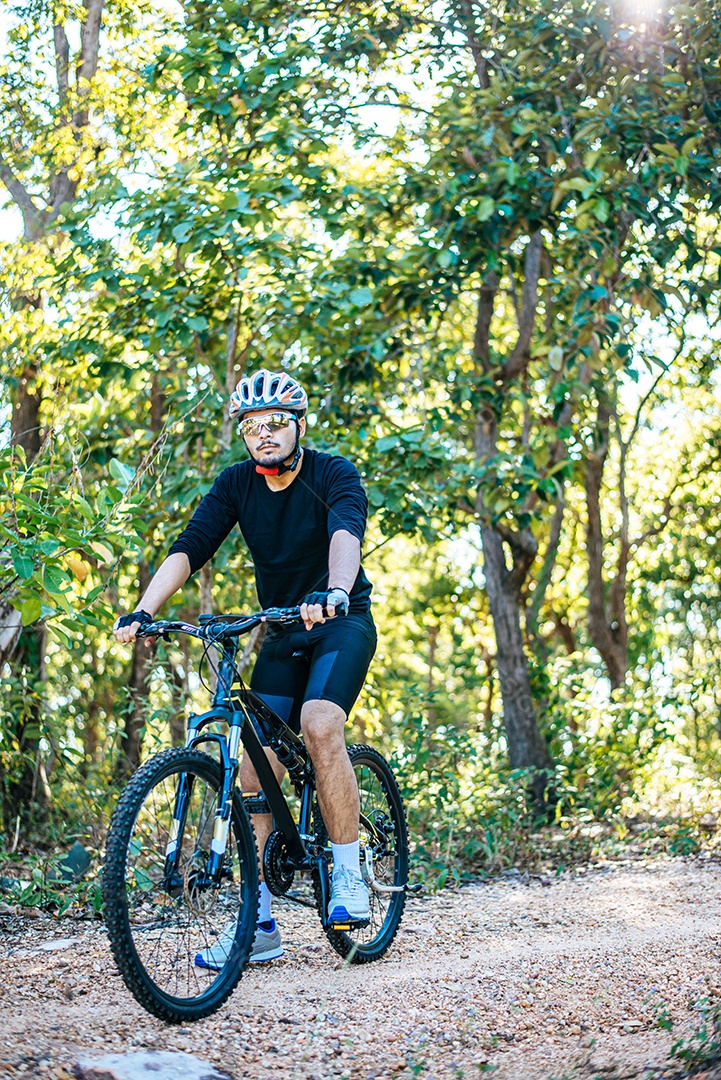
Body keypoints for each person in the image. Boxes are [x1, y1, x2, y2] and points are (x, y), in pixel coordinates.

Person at [113, 368, 377, 968]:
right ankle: (258, 925)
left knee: (318, 724)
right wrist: (144, 610)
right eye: (252, 426)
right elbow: (191, 545)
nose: (263, 434)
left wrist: (335, 591)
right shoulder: (237, 484)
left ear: (297, 426)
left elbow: (345, 534)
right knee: (255, 770)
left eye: (275, 423)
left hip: (340, 620)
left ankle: (347, 870)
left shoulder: (334, 473)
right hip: (282, 629)